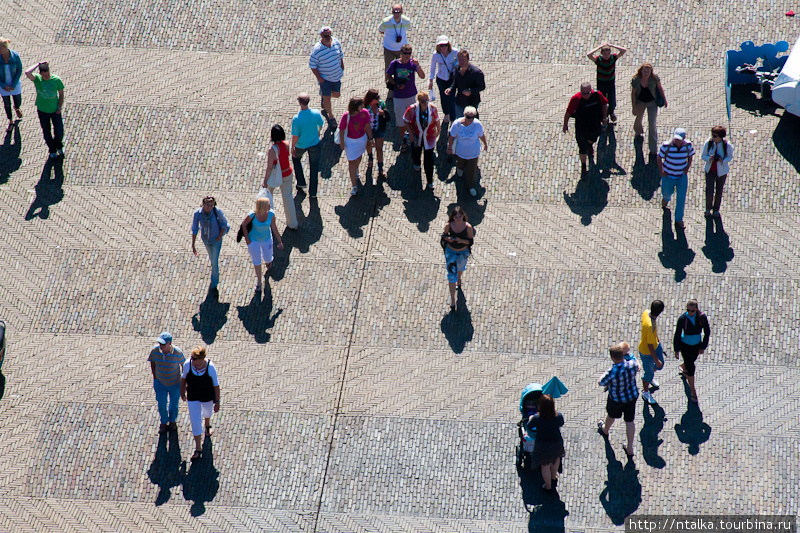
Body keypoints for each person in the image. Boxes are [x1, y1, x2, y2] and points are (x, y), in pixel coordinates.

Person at [598, 342, 640, 459]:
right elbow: (637, 363)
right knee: (629, 421)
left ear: (612, 357)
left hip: (616, 400)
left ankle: (605, 430)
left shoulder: (611, 372)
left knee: (611, 415)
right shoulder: (632, 364)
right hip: (631, 397)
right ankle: (630, 448)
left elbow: (601, 382)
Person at [180, 346, 220, 462]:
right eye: (191, 357)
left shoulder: (210, 367)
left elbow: (216, 386)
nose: (192, 360)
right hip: (193, 397)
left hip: (207, 397)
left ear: (202, 358)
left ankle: (207, 424)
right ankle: (198, 448)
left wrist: (217, 402)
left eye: (194, 358)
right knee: (195, 421)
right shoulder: (188, 364)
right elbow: (183, 379)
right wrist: (182, 392)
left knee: (207, 412)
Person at [562, 82, 609, 177]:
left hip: (594, 125)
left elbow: (605, 104)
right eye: (584, 93)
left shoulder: (597, 95)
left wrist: (604, 118)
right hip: (581, 128)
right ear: (580, 92)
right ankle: (583, 167)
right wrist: (565, 124)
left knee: (594, 138)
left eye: (588, 93)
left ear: (591, 90)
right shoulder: (576, 99)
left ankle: (589, 144)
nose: (586, 95)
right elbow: (568, 112)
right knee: (582, 148)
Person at [241, 197, 285, 291]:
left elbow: (274, 227)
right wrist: (248, 240)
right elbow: (244, 225)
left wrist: (280, 241)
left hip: (267, 240)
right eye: (268, 204)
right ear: (263, 206)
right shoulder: (252, 214)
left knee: (268, 259)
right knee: (256, 261)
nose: (270, 206)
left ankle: (268, 263)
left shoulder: (271, 214)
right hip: (254, 241)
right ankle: (259, 282)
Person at [387, 44, 424, 152]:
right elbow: (388, 76)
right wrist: (396, 84)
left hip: (411, 95)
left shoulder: (413, 64)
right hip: (398, 97)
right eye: (405, 53)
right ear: (401, 53)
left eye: (409, 53)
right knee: (400, 120)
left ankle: (412, 137)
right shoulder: (394, 64)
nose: (407, 55)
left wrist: (418, 65)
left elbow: (422, 76)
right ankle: (404, 139)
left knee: (413, 118)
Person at [191, 195, 230, 296]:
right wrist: (193, 244)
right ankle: (214, 279)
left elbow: (224, 224)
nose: (209, 207)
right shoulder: (198, 214)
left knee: (214, 261)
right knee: (211, 258)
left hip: (216, 241)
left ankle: (214, 282)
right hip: (206, 240)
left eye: (211, 205)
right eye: (207, 205)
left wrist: (219, 237)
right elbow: (195, 228)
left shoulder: (217, 212)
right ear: (203, 204)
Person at [24, 60, 64, 158]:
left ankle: (58, 145)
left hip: (55, 111)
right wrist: (38, 64)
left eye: (48, 74)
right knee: (46, 132)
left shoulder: (56, 80)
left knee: (59, 132)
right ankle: (52, 150)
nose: (47, 77)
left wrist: (59, 107)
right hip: (42, 111)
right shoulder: (37, 79)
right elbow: (27, 72)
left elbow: (61, 94)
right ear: (40, 74)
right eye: (44, 75)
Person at [673, 299, 710, 404]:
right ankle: (693, 391)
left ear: (696, 309)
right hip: (685, 346)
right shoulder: (682, 319)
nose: (690, 312)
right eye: (688, 310)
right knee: (691, 367)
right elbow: (677, 334)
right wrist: (676, 349)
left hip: (696, 346)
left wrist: (703, 346)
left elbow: (707, 332)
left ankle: (684, 367)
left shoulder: (701, 317)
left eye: (692, 310)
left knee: (691, 361)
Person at [148, 332, 186, 434]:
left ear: (170, 343)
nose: (161, 346)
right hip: (160, 384)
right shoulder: (155, 351)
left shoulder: (178, 353)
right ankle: (164, 422)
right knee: (161, 404)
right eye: (160, 343)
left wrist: (183, 382)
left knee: (174, 404)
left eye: (163, 344)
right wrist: (155, 377)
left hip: (175, 384)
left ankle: (172, 421)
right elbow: (152, 361)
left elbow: (185, 365)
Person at [658, 127, 695, 229]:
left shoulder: (688, 145)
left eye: (679, 139)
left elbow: (690, 156)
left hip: (681, 177)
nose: (677, 141)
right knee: (666, 192)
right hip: (668, 176)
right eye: (676, 139)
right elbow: (659, 157)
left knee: (681, 199)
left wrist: (687, 168)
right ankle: (666, 198)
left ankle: (679, 219)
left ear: (684, 138)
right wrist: (661, 171)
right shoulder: (666, 146)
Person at [526, 394, 565, 491]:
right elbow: (561, 423)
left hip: (543, 445)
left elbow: (529, 426)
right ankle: (553, 477)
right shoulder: (558, 416)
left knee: (545, 466)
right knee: (556, 460)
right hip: (556, 443)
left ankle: (548, 486)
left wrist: (531, 417)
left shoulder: (537, 418)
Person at [264, 124, 299, 230]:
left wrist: (265, 181)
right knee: (288, 198)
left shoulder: (272, 150)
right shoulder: (287, 144)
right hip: (287, 173)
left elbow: (269, 167)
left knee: (268, 197)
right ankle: (292, 223)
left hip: (276, 176)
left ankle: (269, 221)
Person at [291, 92, 325, 199]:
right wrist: (318, 132)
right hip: (315, 144)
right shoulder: (316, 113)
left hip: (301, 145)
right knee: (314, 168)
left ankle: (301, 182)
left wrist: (292, 147)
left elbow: (295, 136)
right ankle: (313, 192)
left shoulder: (297, 118)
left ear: (299, 103)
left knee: (296, 159)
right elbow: (321, 124)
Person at [403, 90, 440, 188]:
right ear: (419, 101)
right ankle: (416, 163)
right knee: (416, 151)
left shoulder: (432, 108)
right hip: (416, 135)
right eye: (423, 101)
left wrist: (439, 129)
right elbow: (405, 119)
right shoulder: (412, 109)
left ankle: (429, 180)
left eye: (427, 100)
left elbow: (437, 119)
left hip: (429, 137)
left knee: (429, 159)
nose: (425, 103)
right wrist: (410, 133)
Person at [309, 26, 344, 123]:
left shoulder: (336, 43)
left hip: (336, 77)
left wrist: (342, 68)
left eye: (329, 35)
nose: (328, 37)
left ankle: (324, 96)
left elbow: (340, 55)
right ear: (321, 36)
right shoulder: (317, 50)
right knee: (327, 100)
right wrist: (320, 79)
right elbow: (312, 65)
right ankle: (331, 116)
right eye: (325, 36)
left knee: (337, 95)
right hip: (325, 79)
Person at [442, 205, 474, 310]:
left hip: (463, 252)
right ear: (452, 217)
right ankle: (452, 300)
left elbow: (470, 241)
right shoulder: (448, 225)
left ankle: (459, 279)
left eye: (460, 216)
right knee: (451, 276)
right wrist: (448, 239)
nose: (458, 218)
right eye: (456, 217)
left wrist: (461, 241)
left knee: (460, 268)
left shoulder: (468, 227)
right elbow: (443, 237)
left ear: (463, 216)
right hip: (451, 252)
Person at [631, 63, 667, 157]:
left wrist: (664, 99)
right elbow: (633, 94)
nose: (646, 73)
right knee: (638, 119)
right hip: (640, 102)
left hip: (652, 102)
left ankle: (653, 149)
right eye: (644, 71)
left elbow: (660, 88)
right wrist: (634, 107)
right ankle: (638, 132)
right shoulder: (636, 80)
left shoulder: (654, 78)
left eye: (648, 72)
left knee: (652, 124)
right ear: (641, 71)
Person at [339, 97, 373, 196]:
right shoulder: (346, 116)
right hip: (350, 142)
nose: (363, 107)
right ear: (356, 106)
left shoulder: (365, 113)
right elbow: (341, 129)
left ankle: (356, 169)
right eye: (361, 105)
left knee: (358, 158)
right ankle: (354, 186)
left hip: (361, 140)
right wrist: (342, 142)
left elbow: (367, 126)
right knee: (351, 162)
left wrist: (370, 139)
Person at [586, 42, 626, 123]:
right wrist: (599, 47)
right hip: (601, 83)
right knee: (602, 99)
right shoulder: (598, 60)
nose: (606, 55)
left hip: (610, 83)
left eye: (608, 53)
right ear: (601, 54)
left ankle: (611, 113)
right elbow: (589, 55)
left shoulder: (613, 58)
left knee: (612, 99)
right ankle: (604, 115)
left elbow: (623, 51)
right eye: (604, 54)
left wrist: (612, 45)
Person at [378, 3, 410, 100]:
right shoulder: (386, 22)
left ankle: (404, 87)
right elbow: (380, 30)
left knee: (404, 67)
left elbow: (407, 29)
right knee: (389, 69)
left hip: (402, 50)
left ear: (402, 12)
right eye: (394, 12)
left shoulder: (406, 21)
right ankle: (391, 89)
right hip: (389, 49)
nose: (396, 14)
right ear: (392, 12)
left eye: (398, 12)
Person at [700, 126, 734, 217]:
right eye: (712, 135)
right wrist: (709, 158)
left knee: (719, 190)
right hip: (710, 170)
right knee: (709, 190)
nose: (713, 137)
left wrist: (722, 160)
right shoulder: (709, 143)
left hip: (721, 172)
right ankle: (707, 208)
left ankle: (716, 209)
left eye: (715, 136)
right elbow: (703, 156)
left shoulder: (727, 145)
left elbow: (730, 157)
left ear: (720, 137)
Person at [444, 49, 485, 120]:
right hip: (459, 101)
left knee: (471, 121)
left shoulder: (476, 72)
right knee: (460, 121)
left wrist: (471, 91)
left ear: (468, 59)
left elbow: (482, 86)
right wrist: (450, 88)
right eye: (459, 60)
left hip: (472, 102)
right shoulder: (457, 69)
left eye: (463, 60)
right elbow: (455, 81)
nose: (461, 62)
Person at [638, 299, 665, 405]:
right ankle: (645, 391)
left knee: (660, 365)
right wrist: (656, 359)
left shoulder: (646, 313)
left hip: (656, 345)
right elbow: (649, 345)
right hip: (647, 352)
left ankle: (649, 378)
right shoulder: (650, 326)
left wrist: (657, 339)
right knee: (649, 372)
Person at [428, 35, 458, 124]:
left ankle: (453, 118)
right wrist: (431, 80)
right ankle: (446, 113)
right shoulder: (436, 55)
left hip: (451, 78)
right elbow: (433, 67)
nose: (443, 48)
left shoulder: (454, 52)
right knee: (443, 97)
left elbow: (459, 61)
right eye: (441, 46)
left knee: (452, 99)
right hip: (441, 79)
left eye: (445, 45)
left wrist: (455, 68)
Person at [364, 88, 390, 180]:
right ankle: (370, 157)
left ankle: (380, 168)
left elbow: (387, 115)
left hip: (379, 129)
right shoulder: (365, 107)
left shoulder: (381, 104)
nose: (378, 99)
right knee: (368, 145)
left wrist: (383, 113)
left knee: (379, 148)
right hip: (368, 130)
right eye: (376, 97)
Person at [0, 38, 23, 131]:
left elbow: (19, 70)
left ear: (5, 48)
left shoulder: (15, 56)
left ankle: (17, 108)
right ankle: (11, 121)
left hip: (14, 83)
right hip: (3, 85)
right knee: (7, 104)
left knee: (17, 100)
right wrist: (2, 85)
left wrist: (13, 84)